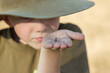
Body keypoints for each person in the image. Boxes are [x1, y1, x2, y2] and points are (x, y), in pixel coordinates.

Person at [0, 0, 94, 73]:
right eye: (26, 17)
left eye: (49, 14)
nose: (41, 27)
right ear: (8, 20)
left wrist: (51, 51)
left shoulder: (67, 37)